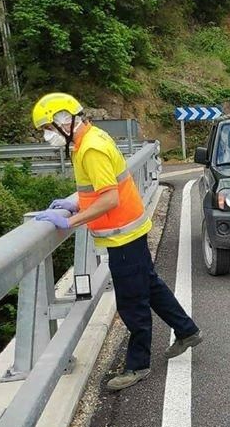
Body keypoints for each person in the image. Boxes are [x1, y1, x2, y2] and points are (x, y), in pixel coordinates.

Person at [31, 93, 203, 391]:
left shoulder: (90, 149)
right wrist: (76, 205)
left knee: (132, 302)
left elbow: (109, 198)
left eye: (47, 128)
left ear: (64, 120)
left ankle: (138, 365)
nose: (47, 136)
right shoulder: (89, 138)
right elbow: (97, 190)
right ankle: (187, 331)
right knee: (150, 285)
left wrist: (70, 221)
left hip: (122, 235)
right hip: (128, 230)